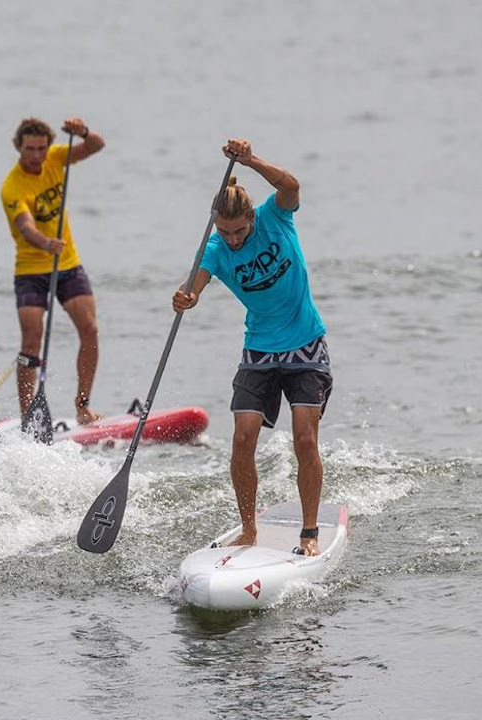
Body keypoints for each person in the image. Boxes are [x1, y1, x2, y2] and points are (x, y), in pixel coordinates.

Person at [172, 139, 331, 556]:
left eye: (240, 230)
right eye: (225, 232)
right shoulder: (215, 248)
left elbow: (292, 185)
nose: (234, 239)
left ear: (250, 217)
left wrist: (251, 160)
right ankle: (248, 529)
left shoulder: (275, 217)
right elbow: (195, 284)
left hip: (305, 346)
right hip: (259, 350)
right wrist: (186, 296)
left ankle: (309, 533)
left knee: (305, 440)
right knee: (242, 440)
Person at [0, 117, 106, 425]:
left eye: (41, 148)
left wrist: (83, 131)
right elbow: (25, 227)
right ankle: (27, 415)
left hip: (68, 265)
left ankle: (83, 405)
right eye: (30, 149)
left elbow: (97, 145)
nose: (36, 155)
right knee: (32, 340)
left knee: (90, 330)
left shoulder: (57, 157)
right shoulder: (11, 187)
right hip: (31, 269)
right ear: (19, 147)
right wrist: (46, 243)